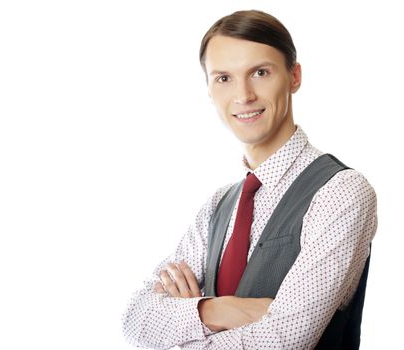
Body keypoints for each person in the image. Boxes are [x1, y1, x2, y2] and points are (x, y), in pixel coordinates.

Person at [122, 9, 377, 350]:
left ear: (294, 76)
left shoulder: (342, 191)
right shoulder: (217, 207)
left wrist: (181, 325)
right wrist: (219, 309)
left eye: (260, 72)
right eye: (223, 78)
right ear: (210, 90)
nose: (243, 95)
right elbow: (136, 319)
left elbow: (285, 340)